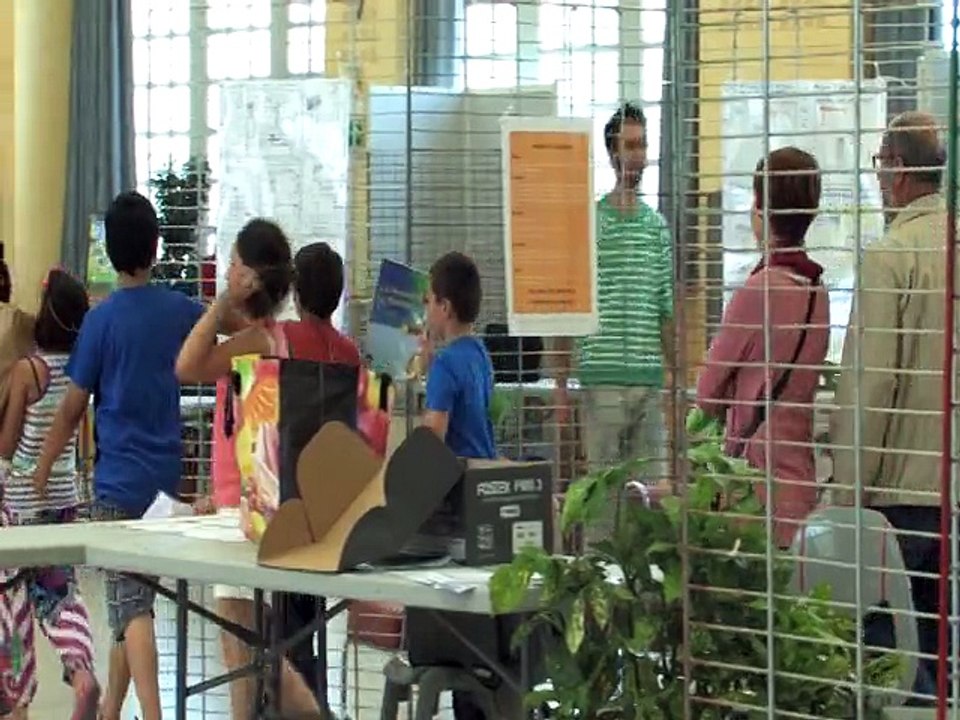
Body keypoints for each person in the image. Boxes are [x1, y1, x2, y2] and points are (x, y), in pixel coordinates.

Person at [33, 191, 205, 720]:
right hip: (166, 481)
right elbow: (221, 334)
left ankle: (152, 715)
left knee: (132, 608)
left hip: (117, 488)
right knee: (133, 601)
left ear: (108, 253)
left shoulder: (102, 323)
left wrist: (40, 469)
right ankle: (111, 713)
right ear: (157, 248)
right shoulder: (180, 309)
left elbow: (70, 410)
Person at [177, 237, 359, 719]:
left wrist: (222, 302)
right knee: (291, 640)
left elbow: (188, 365)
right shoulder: (348, 355)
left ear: (295, 292)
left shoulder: (273, 341)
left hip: (259, 509)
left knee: (244, 643)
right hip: (320, 517)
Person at [830, 111, 949, 702]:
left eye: (881, 165)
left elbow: (870, 387)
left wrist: (846, 498)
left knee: (897, 667)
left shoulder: (889, 256)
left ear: (898, 170)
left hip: (901, 500)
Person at [696, 147, 830, 548]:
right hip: (800, 483)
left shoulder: (759, 289)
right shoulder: (816, 290)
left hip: (753, 489)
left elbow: (706, 393)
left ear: (759, 207)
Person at [552, 103, 675, 538]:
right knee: (604, 501)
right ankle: (604, 592)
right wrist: (562, 384)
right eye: (630, 146)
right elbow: (567, 306)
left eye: (642, 145)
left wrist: (675, 378)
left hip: (647, 378)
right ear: (611, 153)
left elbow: (665, 309)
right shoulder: (589, 223)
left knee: (649, 502)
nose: (637, 155)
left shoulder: (657, 229)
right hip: (601, 377)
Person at [0, 268, 98, 720]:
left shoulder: (29, 371)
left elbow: (8, 443)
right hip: (63, 498)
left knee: (12, 602)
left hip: (20, 503)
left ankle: (16, 699)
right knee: (60, 594)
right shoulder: (80, 371)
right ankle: (80, 671)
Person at [419, 251, 497, 720]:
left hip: (458, 496)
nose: (426, 310)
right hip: (485, 485)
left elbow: (436, 439)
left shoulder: (446, 367)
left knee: (455, 621)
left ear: (444, 307)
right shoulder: (479, 355)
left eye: (428, 300)